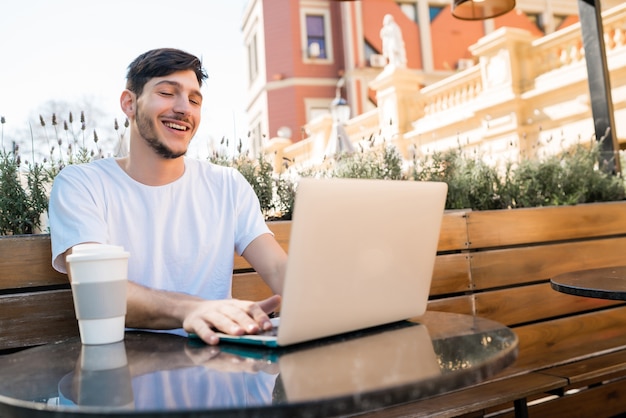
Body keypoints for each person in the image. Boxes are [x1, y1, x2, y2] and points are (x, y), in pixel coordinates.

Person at [49, 48, 287, 346]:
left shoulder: (228, 184)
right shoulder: (82, 184)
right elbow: (98, 291)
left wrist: (331, 308)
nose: (184, 108)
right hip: (126, 375)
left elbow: (278, 268)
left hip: (219, 368)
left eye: (194, 99)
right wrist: (195, 309)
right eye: (167, 92)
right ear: (129, 103)